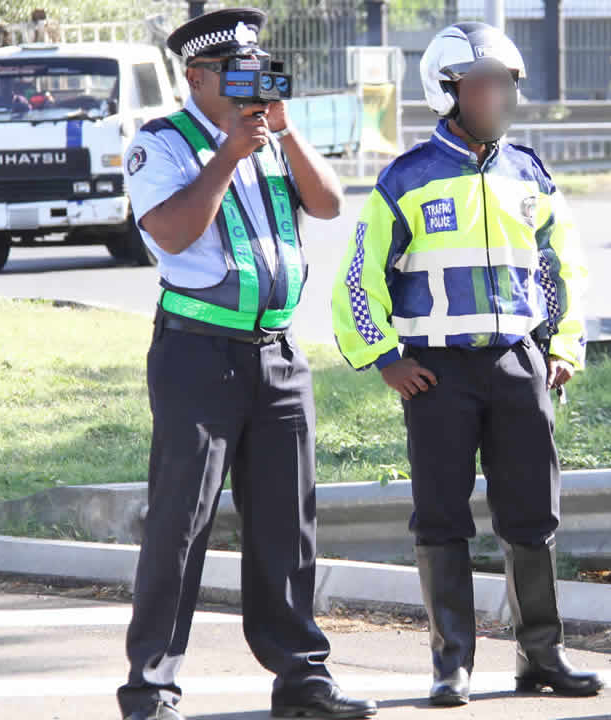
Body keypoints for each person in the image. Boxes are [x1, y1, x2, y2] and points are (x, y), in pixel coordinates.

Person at [331, 21, 602, 708]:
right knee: (441, 520)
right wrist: (383, 358)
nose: (499, 96)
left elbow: (562, 267)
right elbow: (360, 278)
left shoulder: (528, 173)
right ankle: (451, 664)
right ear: (446, 92)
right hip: (437, 375)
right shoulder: (406, 177)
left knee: (532, 517)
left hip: (518, 365)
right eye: (484, 85)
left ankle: (542, 655)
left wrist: (562, 346)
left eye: (506, 84)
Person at [116, 8, 375, 720]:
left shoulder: (268, 137)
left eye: (257, 68)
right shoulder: (162, 142)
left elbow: (328, 203)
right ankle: (150, 688)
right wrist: (229, 154)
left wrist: (284, 133)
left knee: (288, 524)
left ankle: (302, 678)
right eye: (236, 72)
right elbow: (171, 233)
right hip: (198, 354)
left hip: (278, 356)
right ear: (197, 77)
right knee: (181, 522)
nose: (252, 81)